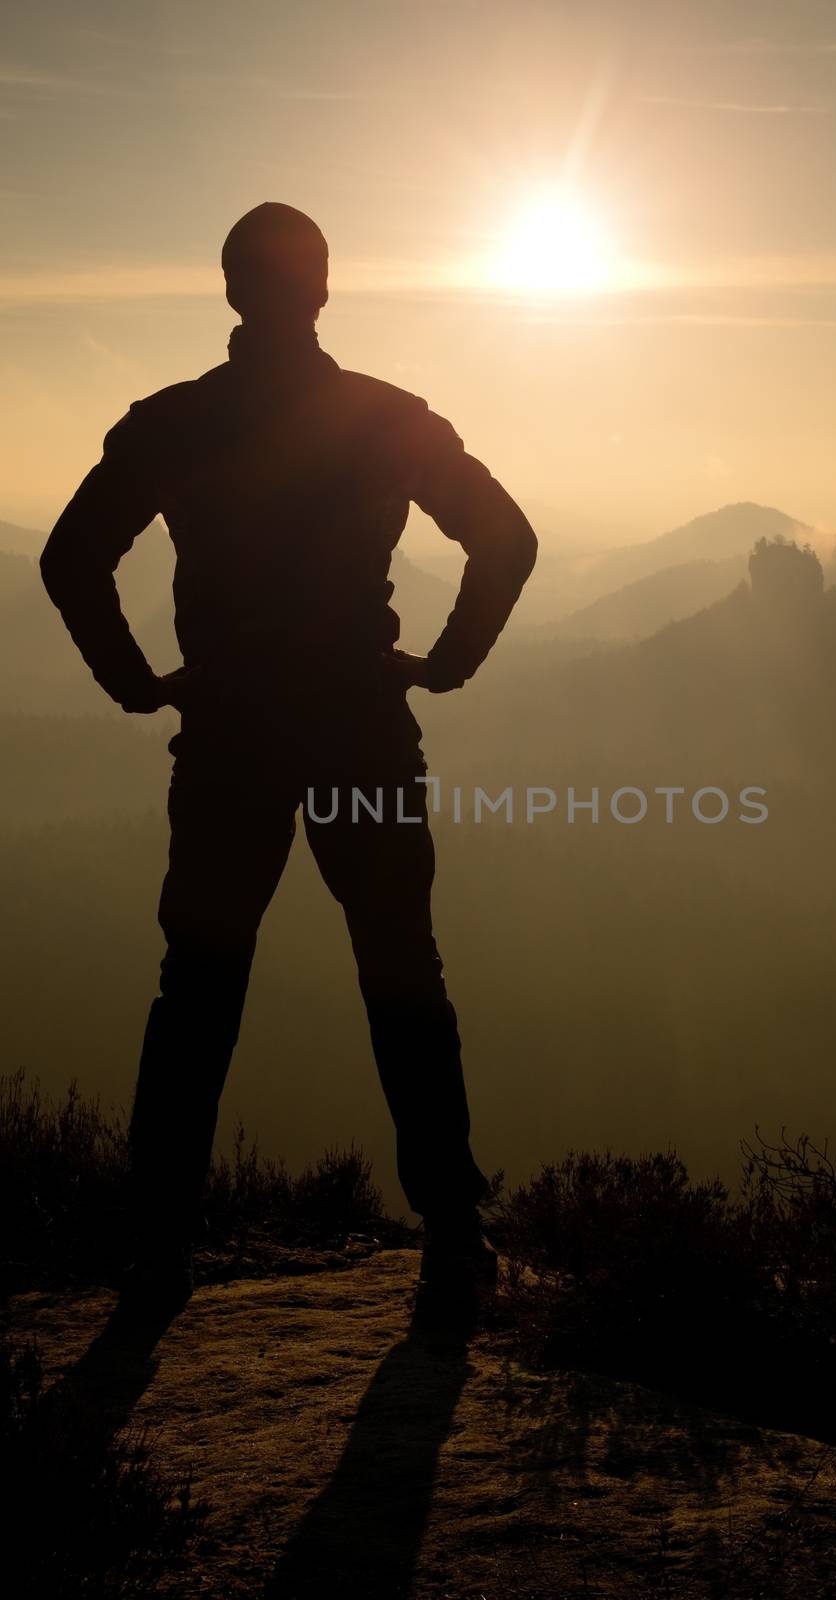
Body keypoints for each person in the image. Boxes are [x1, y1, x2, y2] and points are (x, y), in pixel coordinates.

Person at [39, 202, 538, 1322]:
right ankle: (452, 1239)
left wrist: (139, 679)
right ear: (321, 290)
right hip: (360, 728)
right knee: (403, 970)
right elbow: (506, 537)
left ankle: (157, 1252)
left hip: (226, 741)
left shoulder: (173, 423)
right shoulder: (385, 419)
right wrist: (445, 663)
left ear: (230, 292)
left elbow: (73, 557)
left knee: (198, 988)